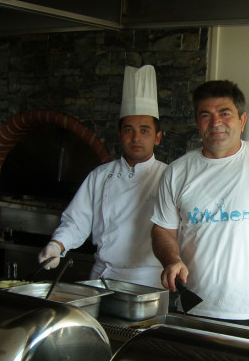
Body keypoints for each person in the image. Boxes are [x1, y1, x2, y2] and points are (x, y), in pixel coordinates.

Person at [151, 80, 249, 328]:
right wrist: (172, 260)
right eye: (206, 115)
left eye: (225, 113)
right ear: (197, 122)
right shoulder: (177, 172)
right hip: (196, 306)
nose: (216, 123)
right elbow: (162, 229)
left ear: (242, 120)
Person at [37, 65, 166, 288]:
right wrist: (57, 245)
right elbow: (76, 221)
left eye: (144, 130)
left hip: (148, 281)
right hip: (102, 277)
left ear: (158, 137)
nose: (136, 137)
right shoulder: (100, 176)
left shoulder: (169, 177)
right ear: (119, 135)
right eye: (129, 130)